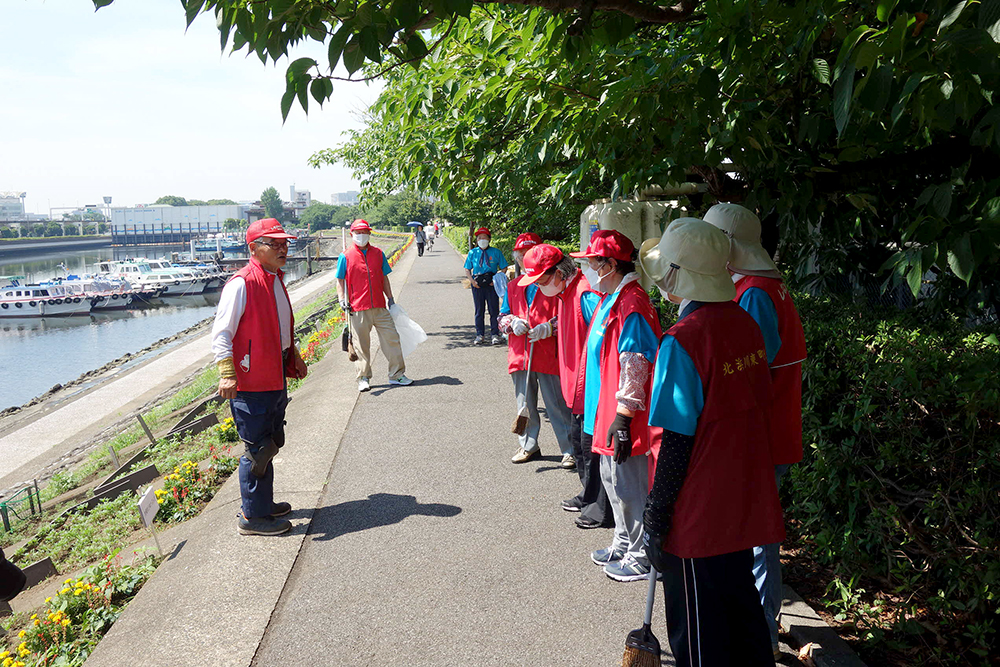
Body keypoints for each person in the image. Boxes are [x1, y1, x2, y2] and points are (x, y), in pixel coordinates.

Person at [639, 218, 784, 667]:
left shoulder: (683, 341)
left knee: (699, 635)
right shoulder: (745, 325)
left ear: (679, 275)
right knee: (741, 613)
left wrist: (657, 510)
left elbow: (677, 439)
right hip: (740, 497)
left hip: (697, 510)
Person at [703, 202, 807, 658]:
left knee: (756, 539)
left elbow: (746, 375)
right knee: (759, 535)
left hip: (761, 438)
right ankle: (759, 631)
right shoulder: (770, 286)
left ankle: (759, 638)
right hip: (775, 431)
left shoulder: (753, 294)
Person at [570, 230, 662, 582]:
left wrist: (624, 416)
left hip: (626, 416)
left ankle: (641, 555)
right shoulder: (612, 296)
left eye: (593, 263)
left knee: (631, 487)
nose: (589, 270)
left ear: (610, 264)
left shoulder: (632, 303)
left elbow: (636, 361)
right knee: (612, 480)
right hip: (606, 410)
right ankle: (623, 542)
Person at [212, 218, 308, 536]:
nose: (283, 248)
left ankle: (262, 504)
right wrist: (227, 375)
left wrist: (293, 354)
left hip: (274, 373)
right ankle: (253, 517)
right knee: (257, 449)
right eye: (275, 244)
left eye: (285, 243)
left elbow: (281, 326)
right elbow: (221, 334)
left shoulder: (275, 278)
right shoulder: (241, 283)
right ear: (254, 248)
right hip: (250, 381)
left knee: (271, 442)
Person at [522, 242, 614, 529]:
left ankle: (601, 509)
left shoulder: (585, 294)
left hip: (591, 386)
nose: (539, 287)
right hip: (576, 383)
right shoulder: (566, 292)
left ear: (559, 273)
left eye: (541, 280)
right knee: (579, 445)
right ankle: (588, 495)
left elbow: (602, 339)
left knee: (591, 449)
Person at [498, 233, 574, 466]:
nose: (523, 259)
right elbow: (501, 316)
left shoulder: (554, 282)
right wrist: (512, 323)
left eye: (528, 255)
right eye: (520, 256)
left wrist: (549, 328)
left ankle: (570, 449)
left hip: (548, 353)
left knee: (557, 404)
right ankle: (528, 445)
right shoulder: (513, 286)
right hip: (520, 354)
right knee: (525, 404)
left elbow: (569, 316)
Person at [337, 219, 413, 392]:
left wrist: (391, 298)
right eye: (358, 232)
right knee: (361, 345)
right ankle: (363, 378)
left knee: (392, 339)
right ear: (352, 234)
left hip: (380, 306)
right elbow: (340, 280)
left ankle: (396, 375)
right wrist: (342, 300)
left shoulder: (378, 253)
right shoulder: (345, 256)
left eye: (364, 232)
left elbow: (384, 277)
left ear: (369, 234)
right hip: (357, 308)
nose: (361, 236)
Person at [463, 226, 508, 345]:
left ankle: (495, 334)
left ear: (489, 239)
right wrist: (472, 282)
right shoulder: (473, 252)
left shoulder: (496, 252)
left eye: (484, 237)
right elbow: (467, 269)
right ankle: (480, 334)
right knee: (479, 310)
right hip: (477, 283)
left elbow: (504, 267)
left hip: (491, 283)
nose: (481, 239)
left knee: (494, 310)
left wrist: (497, 279)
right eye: (479, 238)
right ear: (476, 240)